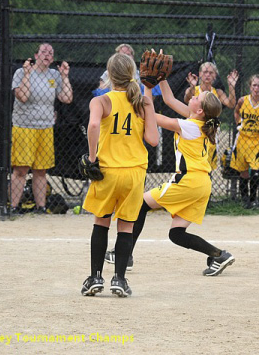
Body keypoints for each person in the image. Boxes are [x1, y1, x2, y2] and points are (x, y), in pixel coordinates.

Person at [116, 70, 234, 287]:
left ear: (199, 110)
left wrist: (148, 89)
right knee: (176, 234)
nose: (194, 95)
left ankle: (124, 255)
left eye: (198, 97)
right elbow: (169, 99)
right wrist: (161, 78)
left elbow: (152, 117)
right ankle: (218, 255)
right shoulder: (199, 122)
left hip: (188, 180)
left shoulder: (189, 126)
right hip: (202, 184)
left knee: (140, 204)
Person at [80, 52, 158, 298]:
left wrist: (92, 158)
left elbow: (93, 126)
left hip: (108, 172)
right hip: (134, 173)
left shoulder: (100, 101)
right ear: (132, 74)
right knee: (126, 227)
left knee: (101, 222)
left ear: (109, 75)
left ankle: (95, 278)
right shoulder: (143, 101)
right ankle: (120, 280)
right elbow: (153, 140)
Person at [10, 43, 73, 214]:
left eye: (51, 53)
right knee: (21, 169)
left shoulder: (54, 75)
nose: (47, 55)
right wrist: (27, 74)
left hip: (45, 127)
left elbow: (66, 98)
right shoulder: (21, 72)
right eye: (44, 52)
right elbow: (22, 96)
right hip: (24, 126)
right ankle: (14, 207)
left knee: (41, 170)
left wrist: (64, 76)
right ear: (36, 55)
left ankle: (41, 207)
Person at [183, 62, 238, 169]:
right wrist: (192, 87)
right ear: (199, 74)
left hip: (209, 131)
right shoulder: (195, 90)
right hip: (194, 130)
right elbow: (186, 98)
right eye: (205, 72)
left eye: (211, 72)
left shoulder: (217, 92)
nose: (207, 75)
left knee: (207, 166)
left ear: (215, 75)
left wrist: (231, 86)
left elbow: (231, 104)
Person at [231, 74, 259, 208]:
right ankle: (245, 200)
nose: (256, 88)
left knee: (256, 169)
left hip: (256, 141)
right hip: (242, 139)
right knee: (243, 172)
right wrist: (239, 123)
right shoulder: (243, 100)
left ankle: (253, 199)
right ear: (250, 87)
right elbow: (236, 112)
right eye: (254, 85)